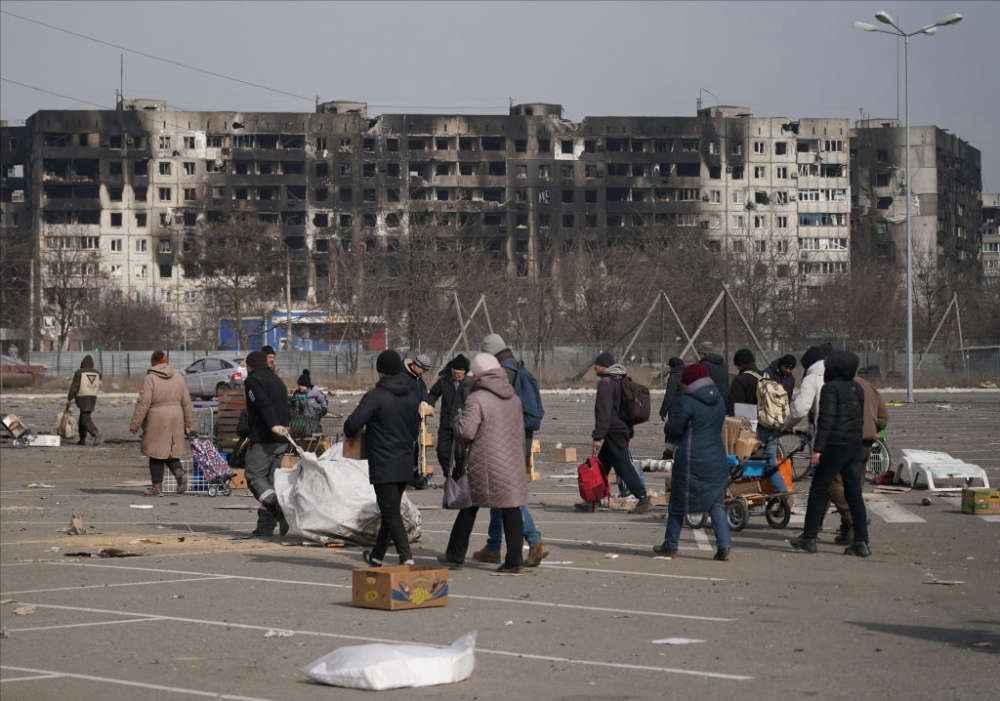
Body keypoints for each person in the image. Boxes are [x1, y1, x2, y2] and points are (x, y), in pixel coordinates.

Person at [437, 353, 527, 574]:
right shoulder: (513, 398)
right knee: (511, 509)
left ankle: (455, 555)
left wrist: (457, 419)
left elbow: (466, 432)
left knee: (469, 506)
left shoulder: (477, 399)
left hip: (485, 462)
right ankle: (515, 560)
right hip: (512, 460)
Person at [472, 334, 549, 566]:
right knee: (501, 495)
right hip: (519, 442)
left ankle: (535, 542)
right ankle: (494, 545)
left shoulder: (503, 374)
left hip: (505, 444)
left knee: (508, 498)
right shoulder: (520, 370)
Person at [790, 350, 870, 557]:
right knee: (854, 494)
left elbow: (826, 421)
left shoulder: (830, 388)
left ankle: (809, 537)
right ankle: (862, 541)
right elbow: (859, 419)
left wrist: (818, 450)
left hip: (834, 446)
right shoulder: (857, 388)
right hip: (854, 446)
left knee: (818, 490)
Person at [344, 350, 420, 567]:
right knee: (391, 509)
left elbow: (352, 426)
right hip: (405, 460)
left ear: (380, 371)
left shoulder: (375, 396)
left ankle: (407, 558)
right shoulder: (412, 395)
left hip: (384, 462)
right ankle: (377, 556)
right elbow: (415, 429)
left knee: (390, 512)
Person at [656, 363, 731, 560]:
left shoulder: (686, 402)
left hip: (692, 458)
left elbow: (673, 429)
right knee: (716, 503)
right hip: (716, 456)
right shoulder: (719, 399)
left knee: (678, 503)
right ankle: (723, 545)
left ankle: (670, 544)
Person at [576, 351, 652, 514]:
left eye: (596, 364)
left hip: (613, 431)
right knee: (602, 465)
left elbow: (604, 412)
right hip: (621, 429)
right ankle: (592, 499)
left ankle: (643, 497)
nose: (594, 367)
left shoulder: (606, 383)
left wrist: (598, 437)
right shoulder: (620, 380)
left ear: (602, 366)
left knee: (623, 466)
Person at [828, 372, 888, 545]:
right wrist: (871, 427)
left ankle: (855, 520)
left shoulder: (836, 386)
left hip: (844, 442)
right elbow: (883, 418)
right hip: (865, 444)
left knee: (833, 483)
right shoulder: (869, 386)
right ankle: (848, 531)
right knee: (854, 487)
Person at [129, 351, 193, 497]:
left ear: (153, 362)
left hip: (157, 417)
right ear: (165, 361)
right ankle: (180, 474)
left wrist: (135, 423)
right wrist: (188, 423)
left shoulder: (150, 378)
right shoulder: (178, 377)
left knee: (155, 453)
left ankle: (157, 488)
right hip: (177, 417)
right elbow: (187, 403)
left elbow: (143, 403)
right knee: (170, 451)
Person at [243, 350, 291, 538]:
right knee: (270, 483)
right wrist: (284, 427)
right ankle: (265, 527)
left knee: (254, 477)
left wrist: (272, 425)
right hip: (282, 438)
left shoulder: (253, 381)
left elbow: (262, 403)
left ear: (250, 366)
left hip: (265, 437)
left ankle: (280, 512)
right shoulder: (277, 379)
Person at [729, 348, 790, 496]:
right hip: (770, 423)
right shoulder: (766, 376)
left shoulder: (740, 380)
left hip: (751, 426)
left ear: (739, 364)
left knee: (740, 461)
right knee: (770, 463)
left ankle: (743, 492)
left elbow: (736, 409)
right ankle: (782, 494)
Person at [428, 354, 470, 478]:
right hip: (446, 422)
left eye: (459, 373)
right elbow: (433, 394)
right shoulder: (444, 381)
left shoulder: (470, 383)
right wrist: (430, 404)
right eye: (455, 373)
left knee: (461, 454)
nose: (457, 376)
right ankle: (449, 474)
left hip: (463, 424)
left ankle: (459, 475)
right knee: (442, 452)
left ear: (464, 372)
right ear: (451, 370)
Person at [66, 354, 102, 446]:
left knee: (85, 419)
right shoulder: (97, 373)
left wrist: (70, 397)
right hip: (93, 397)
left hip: (83, 396)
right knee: (83, 417)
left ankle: (95, 433)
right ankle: (82, 439)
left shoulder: (79, 372)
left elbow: (75, 386)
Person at [658, 356, 685, 459]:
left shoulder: (674, 377)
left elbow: (669, 395)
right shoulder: (686, 375)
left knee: (671, 431)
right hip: (686, 409)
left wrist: (663, 411)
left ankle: (668, 453)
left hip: (675, 410)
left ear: (672, 366)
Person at [697, 341, 731, 411]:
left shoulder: (703, 365)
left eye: (699, 353)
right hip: (723, 402)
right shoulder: (723, 364)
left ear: (703, 353)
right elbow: (727, 384)